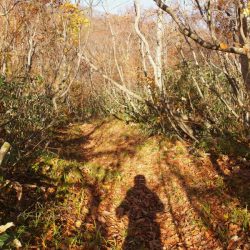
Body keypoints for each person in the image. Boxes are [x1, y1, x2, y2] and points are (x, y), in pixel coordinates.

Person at [116, 175, 164, 250]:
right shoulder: (150, 193)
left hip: (138, 225)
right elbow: (161, 207)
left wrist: (121, 210)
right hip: (146, 224)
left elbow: (125, 204)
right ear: (144, 182)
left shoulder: (132, 192)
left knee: (132, 243)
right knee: (152, 243)